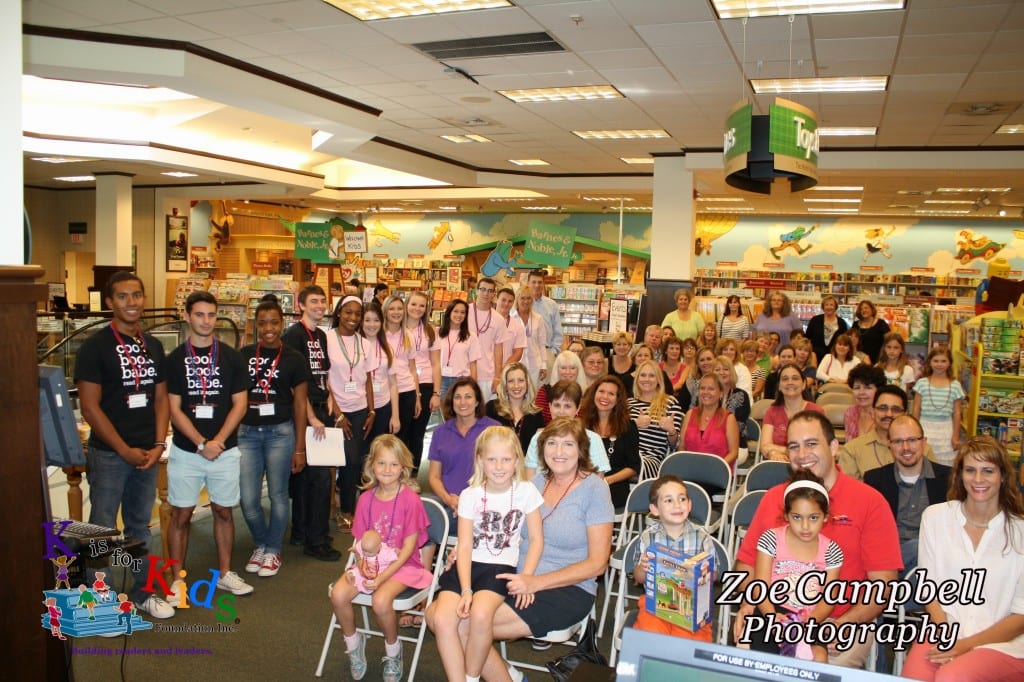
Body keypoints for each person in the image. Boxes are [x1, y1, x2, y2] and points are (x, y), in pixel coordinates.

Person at [426, 417, 614, 682]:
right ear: (541, 448)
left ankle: (505, 677)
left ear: (581, 449)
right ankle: (508, 674)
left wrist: (535, 582)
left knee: (461, 623)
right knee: (437, 616)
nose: (559, 452)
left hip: (565, 588)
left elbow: (597, 564)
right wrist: (463, 551)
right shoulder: (534, 484)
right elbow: (496, 524)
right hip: (512, 575)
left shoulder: (595, 488)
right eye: (552, 443)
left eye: (568, 444)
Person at [733, 410, 902, 669]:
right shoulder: (774, 499)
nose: (802, 455)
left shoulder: (870, 502)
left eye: (811, 444)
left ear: (834, 447)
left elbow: (883, 586)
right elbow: (746, 567)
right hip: (774, 614)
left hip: (841, 621)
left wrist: (843, 623)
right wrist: (750, 602)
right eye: (793, 446)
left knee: (814, 670)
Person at [74, 271, 175, 619]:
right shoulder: (95, 347)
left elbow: (161, 399)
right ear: (109, 303)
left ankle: (143, 593)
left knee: (138, 526)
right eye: (123, 297)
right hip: (109, 455)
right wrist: (123, 449)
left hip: (147, 453)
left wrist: (159, 443)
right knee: (101, 528)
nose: (131, 302)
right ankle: (97, 605)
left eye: (137, 295)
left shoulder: (154, 345)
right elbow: (90, 406)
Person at [902, 436, 1024, 681]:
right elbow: (930, 590)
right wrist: (948, 638)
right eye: (970, 470)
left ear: (1002, 476)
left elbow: (1021, 616)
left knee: (952, 677)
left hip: (1003, 643)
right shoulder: (935, 518)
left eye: (987, 471)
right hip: (942, 629)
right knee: (914, 677)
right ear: (960, 475)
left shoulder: (1020, 531)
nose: (978, 480)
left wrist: (966, 645)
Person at [432, 426, 544, 682]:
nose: (499, 466)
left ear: (517, 460)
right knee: (442, 617)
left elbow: (537, 540)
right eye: (491, 459)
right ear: (480, 460)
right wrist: (466, 590)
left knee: (481, 615)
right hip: (467, 565)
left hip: (499, 568)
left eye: (506, 459)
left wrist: (526, 578)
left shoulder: (526, 491)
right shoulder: (470, 495)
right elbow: (464, 545)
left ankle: (471, 678)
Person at [166, 290, 253, 599]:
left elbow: (240, 405)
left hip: (225, 451)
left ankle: (226, 573)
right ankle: (178, 579)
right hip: (187, 451)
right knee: (182, 515)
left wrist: (217, 442)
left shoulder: (231, 357)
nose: (206, 321)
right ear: (188, 316)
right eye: (199, 314)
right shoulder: (175, 359)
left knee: (224, 512)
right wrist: (202, 442)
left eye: (211, 315)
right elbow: (174, 409)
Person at [329, 435, 433, 682]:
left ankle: (393, 650)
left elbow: (409, 549)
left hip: (402, 565)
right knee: (338, 594)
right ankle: (354, 643)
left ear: (404, 468)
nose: (387, 470)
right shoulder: (365, 499)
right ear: (371, 466)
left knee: (381, 600)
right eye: (382, 463)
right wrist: (360, 567)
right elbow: (362, 543)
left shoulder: (410, 499)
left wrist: (383, 576)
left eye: (394, 464)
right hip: (370, 564)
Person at [239, 295, 309, 578]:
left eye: (274, 322)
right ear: (255, 325)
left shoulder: (294, 358)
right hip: (247, 434)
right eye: (263, 323)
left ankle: (273, 550)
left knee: (279, 495)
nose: (269, 328)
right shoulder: (243, 355)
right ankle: (261, 542)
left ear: (283, 323)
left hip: (281, 433)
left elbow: (300, 405)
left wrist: (300, 448)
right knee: (247, 498)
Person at [751, 471, 844, 662]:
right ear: (786, 515)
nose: (805, 526)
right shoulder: (771, 539)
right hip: (772, 610)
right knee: (760, 659)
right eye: (797, 517)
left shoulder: (831, 551)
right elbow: (760, 586)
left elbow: (829, 598)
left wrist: (810, 622)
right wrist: (772, 616)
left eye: (813, 518)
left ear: (825, 517)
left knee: (818, 658)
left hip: (809, 617)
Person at [282, 284, 341, 561]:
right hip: (307, 415)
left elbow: (322, 373)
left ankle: (302, 531)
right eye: (314, 301)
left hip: (322, 408)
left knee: (309, 478)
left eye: (323, 301)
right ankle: (316, 541)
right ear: (301, 304)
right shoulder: (294, 336)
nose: (320, 305)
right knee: (319, 480)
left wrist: (330, 398)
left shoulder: (321, 335)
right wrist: (312, 417)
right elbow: (297, 383)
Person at [863, 415, 950, 576]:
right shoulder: (874, 480)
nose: (906, 447)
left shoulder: (948, 479)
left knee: (918, 547)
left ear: (924, 442)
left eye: (912, 440)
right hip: (889, 561)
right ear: (889, 444)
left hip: (935, 560)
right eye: (898, 441)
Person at [632, 474, 715, 640]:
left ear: (690, 505)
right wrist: (643, 568)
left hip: (691, 608)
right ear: (655, 509)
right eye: (668, 500)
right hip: (655, 605)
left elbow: (714, 576)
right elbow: (638, 578)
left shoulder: (702, 536)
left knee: (688, 645)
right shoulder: (648, 537)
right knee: (649, 637)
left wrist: (704, 572)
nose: (677, 505)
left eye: (682, 499)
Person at [325, 295, 375, 530]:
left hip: (360, 410)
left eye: (357, 314)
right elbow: (323, 381)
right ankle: (345, 510)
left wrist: (372, 410)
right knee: (347, 460)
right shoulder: (326, 340)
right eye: (348, 312)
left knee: (354, 464)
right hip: (337, 410)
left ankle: (346, 508)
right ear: (338, 313)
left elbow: (367, 379)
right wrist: (338, 414)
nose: (353, 318)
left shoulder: (364, 343)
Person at [427, 377, 501, 522]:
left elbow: (502, 473)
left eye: (468, 397)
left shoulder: (494, 430)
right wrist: (448, 499)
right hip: (448, 503)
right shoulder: (440, 432)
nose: (462, 402)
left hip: (484, 504)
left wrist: (470, 503)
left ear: (477, 401)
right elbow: (433, 477)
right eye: (458, 397)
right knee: (423, 511)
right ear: (451, 401)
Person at [526, 380, 611, 479]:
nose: (561, 412)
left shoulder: (592, 439)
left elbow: (597, 481)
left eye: (567, 406)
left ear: (578, 408)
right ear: (549, 407)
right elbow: (530, 481)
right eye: (557, 405)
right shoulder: (538, 438)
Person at [580, 375, 640, 508]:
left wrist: (607, 480)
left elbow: (634, 467)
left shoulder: (628, 427)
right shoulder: (581, 425)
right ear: (594, 394)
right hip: (583, 483)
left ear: (618, 399)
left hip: (613, 487)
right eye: (601, 391)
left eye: (611, 394)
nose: (605, 397)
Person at [404, 291, 441, 473]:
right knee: (401, 432)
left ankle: (413, 473)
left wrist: (436, 393)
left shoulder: (430, 331)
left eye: (421, 305)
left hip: (425, 384)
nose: (417, 309)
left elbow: (435, 364)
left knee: (417, 434)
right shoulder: (396, 328)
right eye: (413, 304)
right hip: (403, 384)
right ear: (406, 304)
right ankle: (399, 472)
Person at [630, 359, 685, 476]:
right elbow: (616, 432)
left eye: (651, 376)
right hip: (626, 454)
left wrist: (671, 431)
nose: (646, 379)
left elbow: (674, 445)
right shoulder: (628, 403)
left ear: (658, 380)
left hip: (650, 459)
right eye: (643, 375)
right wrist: (634, 424)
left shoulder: (670, 402)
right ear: (637, 379)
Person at [382, 294, 420, 460]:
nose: (396, 312)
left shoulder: (408, 335)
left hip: (407, 391)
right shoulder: (379, 334)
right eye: (392, 308)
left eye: (399, 308)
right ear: (385, 311)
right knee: (384, 435)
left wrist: (417, 396)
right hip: (385, 391)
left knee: (402, 436)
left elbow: (412, 367)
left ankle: (400, 475)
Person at [760, 364, 825, 462]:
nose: (790, 382)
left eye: (795, 378)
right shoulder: (772, 411)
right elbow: (765, 446)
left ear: (803, 384)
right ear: (779, 387)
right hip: (778, 462)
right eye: (785, 379)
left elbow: (820, 446)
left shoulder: (817, 412)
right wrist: (773, 453)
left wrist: (784, 451)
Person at [912, 346, 964, 466]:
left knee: (945, 464)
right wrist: (914, 431)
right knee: (923, 461)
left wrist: (955, 436)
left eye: (943, 361)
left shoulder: (955, 385)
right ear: (929, 362)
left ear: (949, 363)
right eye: (936, 361)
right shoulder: (922, 383)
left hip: (946, 430)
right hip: (924, 427)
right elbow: (916, 408)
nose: (939, 364)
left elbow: (957, 413)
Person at [360, 301, 401, 443]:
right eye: (367, 320)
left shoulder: (387, 347)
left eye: (376, 320)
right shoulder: (355, 344)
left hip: (383, 406)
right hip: (360, 407)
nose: (372, 325)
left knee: (378, 450)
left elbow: (393, 384)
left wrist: (395, 415)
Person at [681, 373, 740, 469]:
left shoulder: (729, 418)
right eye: (702, 388)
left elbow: (733, 453)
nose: (706, 392)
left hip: (716, 473)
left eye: (711, 389)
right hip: (689, 469)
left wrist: (716, 467)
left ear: (721, 393)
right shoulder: (690, 414)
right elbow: (682, 446)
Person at [486, 362, 545, 454]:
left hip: (526, 467)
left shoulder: (536, 414)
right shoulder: (491, 409)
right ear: (505, 385)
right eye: (511, 381)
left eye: (520, 380)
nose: (516, 385)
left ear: (527, 383)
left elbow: (539, 449)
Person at [434, 299, 481, 401]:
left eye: (462, 312)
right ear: (449, 312)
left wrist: (474, 386)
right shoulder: (437, 333)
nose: (459, 315)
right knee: (442, 414)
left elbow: (473, 364)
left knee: (460, 413)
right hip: (441, 380)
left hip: (462, 381)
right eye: (456, 311)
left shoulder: (471, 336)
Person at [470, 278, 507, 402]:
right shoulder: (464, 312)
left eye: (490, 291)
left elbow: (498, 350)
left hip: (487, 375)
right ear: (476, 290)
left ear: (494, 295)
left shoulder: (499, 319)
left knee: (484, 413)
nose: (486, 293)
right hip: (464, 371)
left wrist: (497, 377)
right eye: (483, 289)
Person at [512, 288, 548, 391]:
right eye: (522, 298)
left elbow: (542, 343)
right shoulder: (511, 318)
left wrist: (543, 365)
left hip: (535, 365)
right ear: (517, 300)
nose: (526, 301)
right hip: (517, 365)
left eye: (528, 298)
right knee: (517, 393)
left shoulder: (538, 318)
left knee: (533, 396)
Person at [536, 350, 586, 422]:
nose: (568, 372)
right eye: (563, 368)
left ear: (579, 370)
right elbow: (538, 420)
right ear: (557, 370)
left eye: (572, 368)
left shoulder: (586, 393)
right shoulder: (545, 391)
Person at [713, 355, 751, 447]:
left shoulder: (741, 395)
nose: (721, 372)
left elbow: (739, 425)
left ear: (731, 372)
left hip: (735, 444)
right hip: (710, 441)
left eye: (726, 369)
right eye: (717, 370)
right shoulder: (707, 394)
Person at [345, 528, 397, 594]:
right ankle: (352, 575)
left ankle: (367, 586)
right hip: (364, 566)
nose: (365, 554)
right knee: (355, 572)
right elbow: (358, 549)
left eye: (369, 552)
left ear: (379, 547)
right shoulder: (363, 545)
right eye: (364, 550)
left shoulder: (385, 552)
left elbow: (395, 559)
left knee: (373, 582)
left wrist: (397, 552)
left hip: (379, 571)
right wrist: (354, 549)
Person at [843, 364, 886, 442]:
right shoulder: (850, 413)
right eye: (857, 387)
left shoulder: (885, 414)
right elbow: (849, 445)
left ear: (879, 390)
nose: (861, 392)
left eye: (868, 388)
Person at [528, 269, 564, 361]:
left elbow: (558, 331)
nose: (537, 285)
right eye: (534, 282)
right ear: (528, 283)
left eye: (540, 282)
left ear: (543, 284)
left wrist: (553, 351)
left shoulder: (552, 305)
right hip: (527, 353)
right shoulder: (521, 303)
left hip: (547, 352)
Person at [804, 295, 848, 364]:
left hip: (835, 358)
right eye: (826, 305)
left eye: (831, 305)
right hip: (815, 358)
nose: (829, 307)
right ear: (823, 307)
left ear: (835, 307)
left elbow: (845, 341)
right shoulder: (815, 320)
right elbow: (807, 338)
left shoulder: (841, 323)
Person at [495, 286, 527, 371]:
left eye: (510, 301)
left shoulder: (518, 326)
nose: (506, 304)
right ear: (496, 299)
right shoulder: (485, 321)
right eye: (503, 300)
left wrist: (503, 369)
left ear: (513, 303)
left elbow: (518, 352)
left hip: (505, 370)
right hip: (484, 370)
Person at [853, 299, 890, 364]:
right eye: (861, 309)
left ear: (872, 309)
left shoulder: (881, 324)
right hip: (859, 360)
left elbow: (890, 341)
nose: (864, 310)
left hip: (877, 360)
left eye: (866, 308)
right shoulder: (855, 324)